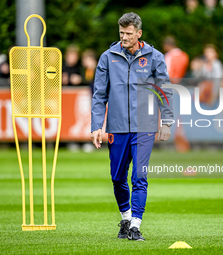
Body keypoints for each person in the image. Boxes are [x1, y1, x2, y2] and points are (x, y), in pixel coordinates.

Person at [91, 12, 173, 241]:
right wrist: (96, 126)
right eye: (121, 33)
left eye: (128, 33)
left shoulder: (154, 57)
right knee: (117, 178)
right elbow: (99, 95)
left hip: (144, 126)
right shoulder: (108, 57)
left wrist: (166, 121)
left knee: (139, 175)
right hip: (116, 127)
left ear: (139, 33)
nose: (124, 37)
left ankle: (136, 224)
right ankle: (125, 218)